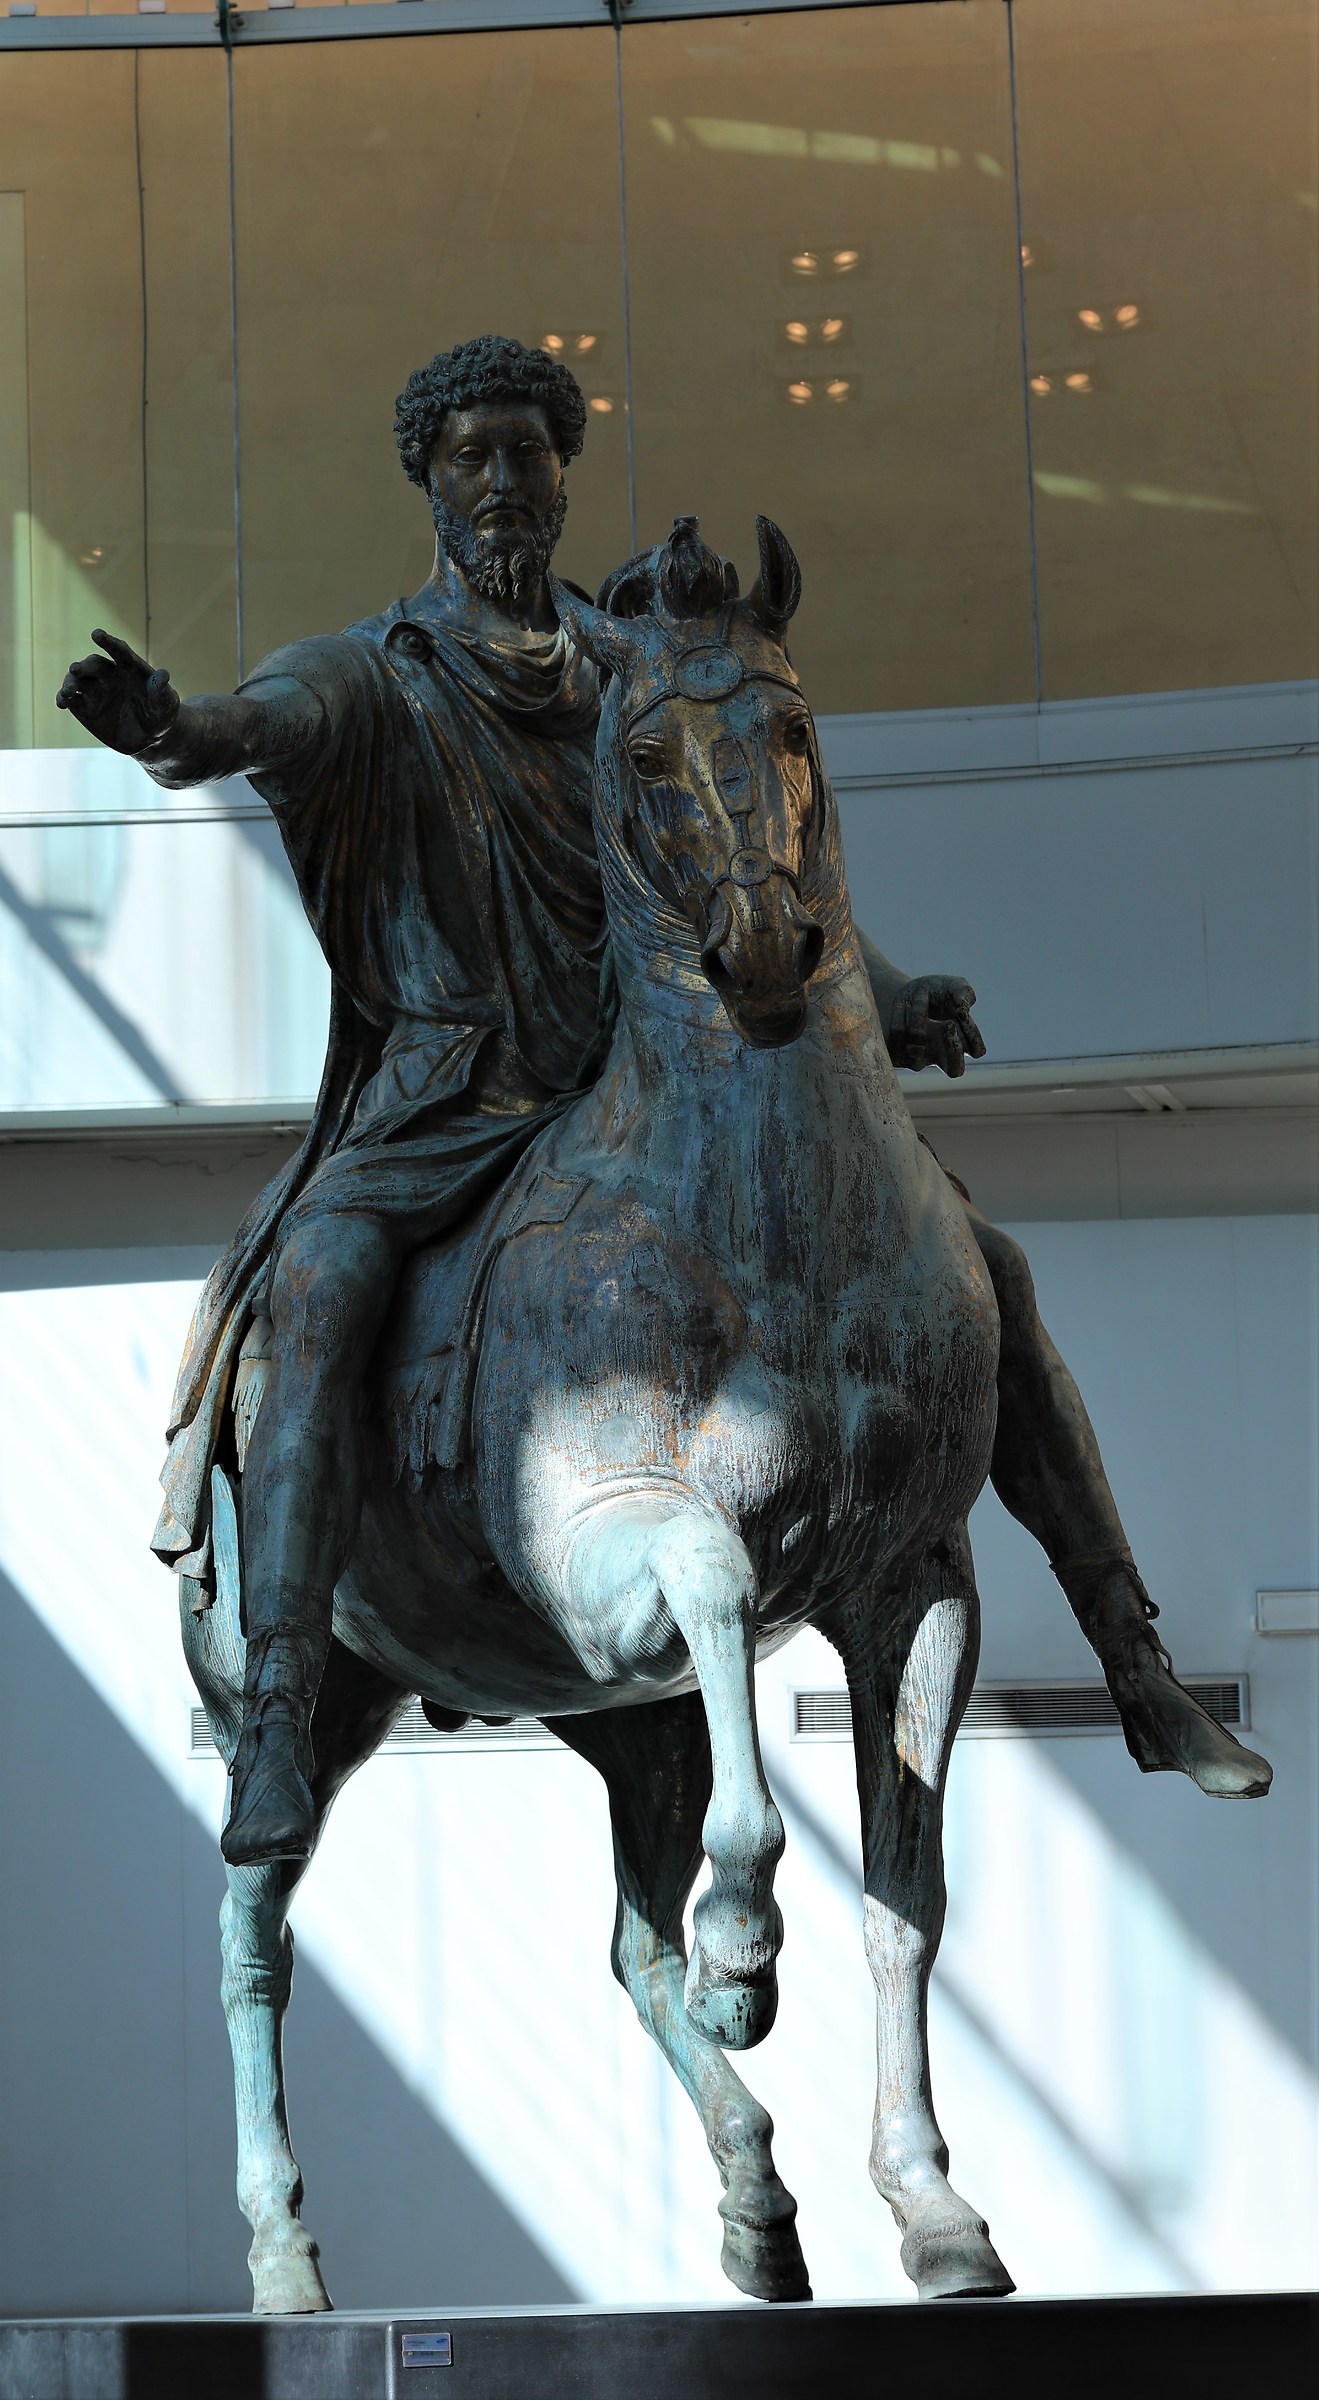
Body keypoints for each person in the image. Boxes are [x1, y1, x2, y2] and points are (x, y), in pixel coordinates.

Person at [55, 338, 1267, 1869]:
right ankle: (289, 1704)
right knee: (322, 1285)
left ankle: (1133, 1652)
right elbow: (260, 726)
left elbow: (745, 847)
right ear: (427, 476)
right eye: (473, 454)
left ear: (566, 473)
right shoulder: (381, 672)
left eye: (528, 452)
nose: (503, 480)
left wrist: (885, 997)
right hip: (455, 1091)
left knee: (990, 1275)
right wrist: (175, 730)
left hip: (647, 1087)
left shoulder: (638, 670)